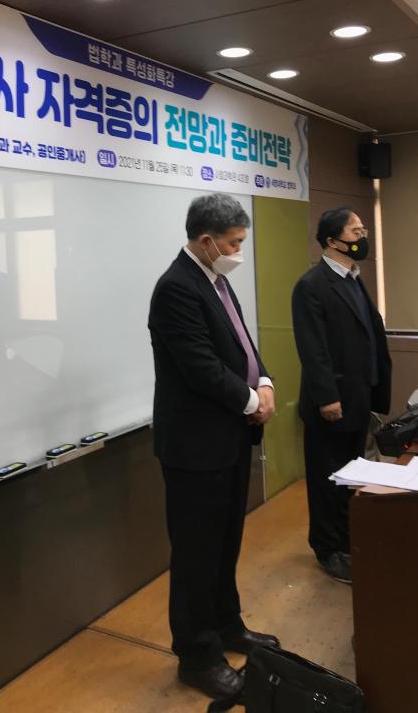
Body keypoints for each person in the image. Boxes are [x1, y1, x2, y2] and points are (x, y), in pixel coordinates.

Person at [148, 193, 279, 703]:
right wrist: (251, 401)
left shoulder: (215, 280)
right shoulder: (176, 288)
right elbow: (200, 367)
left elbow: (241, 344)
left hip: (229, 437)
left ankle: (228, 626)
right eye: (234, 243)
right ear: (207, 241)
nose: (238, 251)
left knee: (225, 544)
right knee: (197, 554)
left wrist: (263, 380)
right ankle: (198, 655)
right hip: (195, 447)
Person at [291, 207, 391, 584]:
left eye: (364, 229)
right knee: (327, 478)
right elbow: (312, 347)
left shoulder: (352, 278)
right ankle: (327, 548)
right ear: (332, 241)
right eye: (356, 231)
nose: (363, 236)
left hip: (358, 396)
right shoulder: (311, 285)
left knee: (351, 475)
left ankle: (348, 540)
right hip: (331, 402)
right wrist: (326, 397)